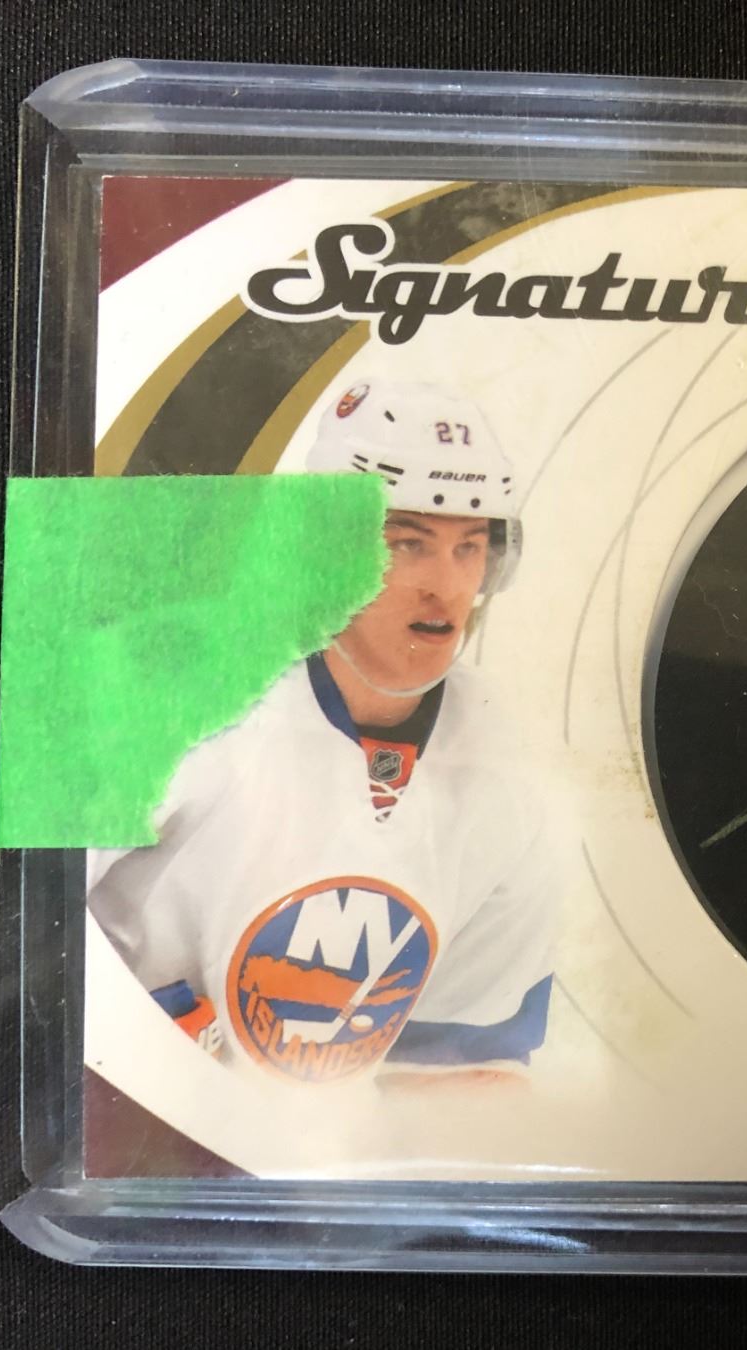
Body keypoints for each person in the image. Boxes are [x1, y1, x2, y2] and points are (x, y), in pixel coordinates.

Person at [88, 378, 565, 1089]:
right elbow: (19, 938)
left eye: (469, 549)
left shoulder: (511, 769)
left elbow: (469, 1069)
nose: (446, 587)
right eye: (408, 544)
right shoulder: (169, 691)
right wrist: (138, 1033)